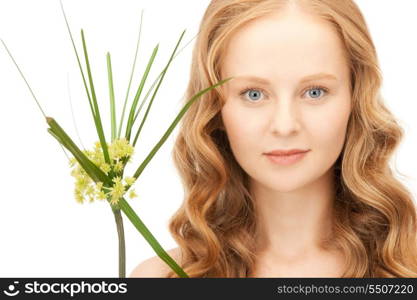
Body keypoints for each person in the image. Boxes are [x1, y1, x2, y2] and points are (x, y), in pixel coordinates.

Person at [130, 0, 417, 277]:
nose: (284, 126)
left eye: (314, 91)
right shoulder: (162, 279)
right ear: (215, 108)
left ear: (355, 97)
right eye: (254, 94)